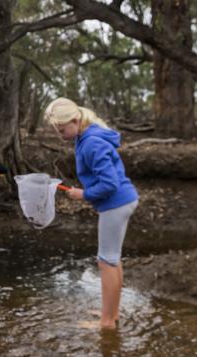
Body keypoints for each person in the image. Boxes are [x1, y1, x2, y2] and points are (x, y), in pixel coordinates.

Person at [44, 97, 138, 330]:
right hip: (122, 201)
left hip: (116, 203)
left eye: (62, 129)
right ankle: (111, 312)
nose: (60, 135)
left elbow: (110, 184)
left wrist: (83, 194)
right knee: (112, 260)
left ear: (75, 121)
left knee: (106, 261)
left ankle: (107, 321)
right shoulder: (86, 136)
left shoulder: (92, 143)